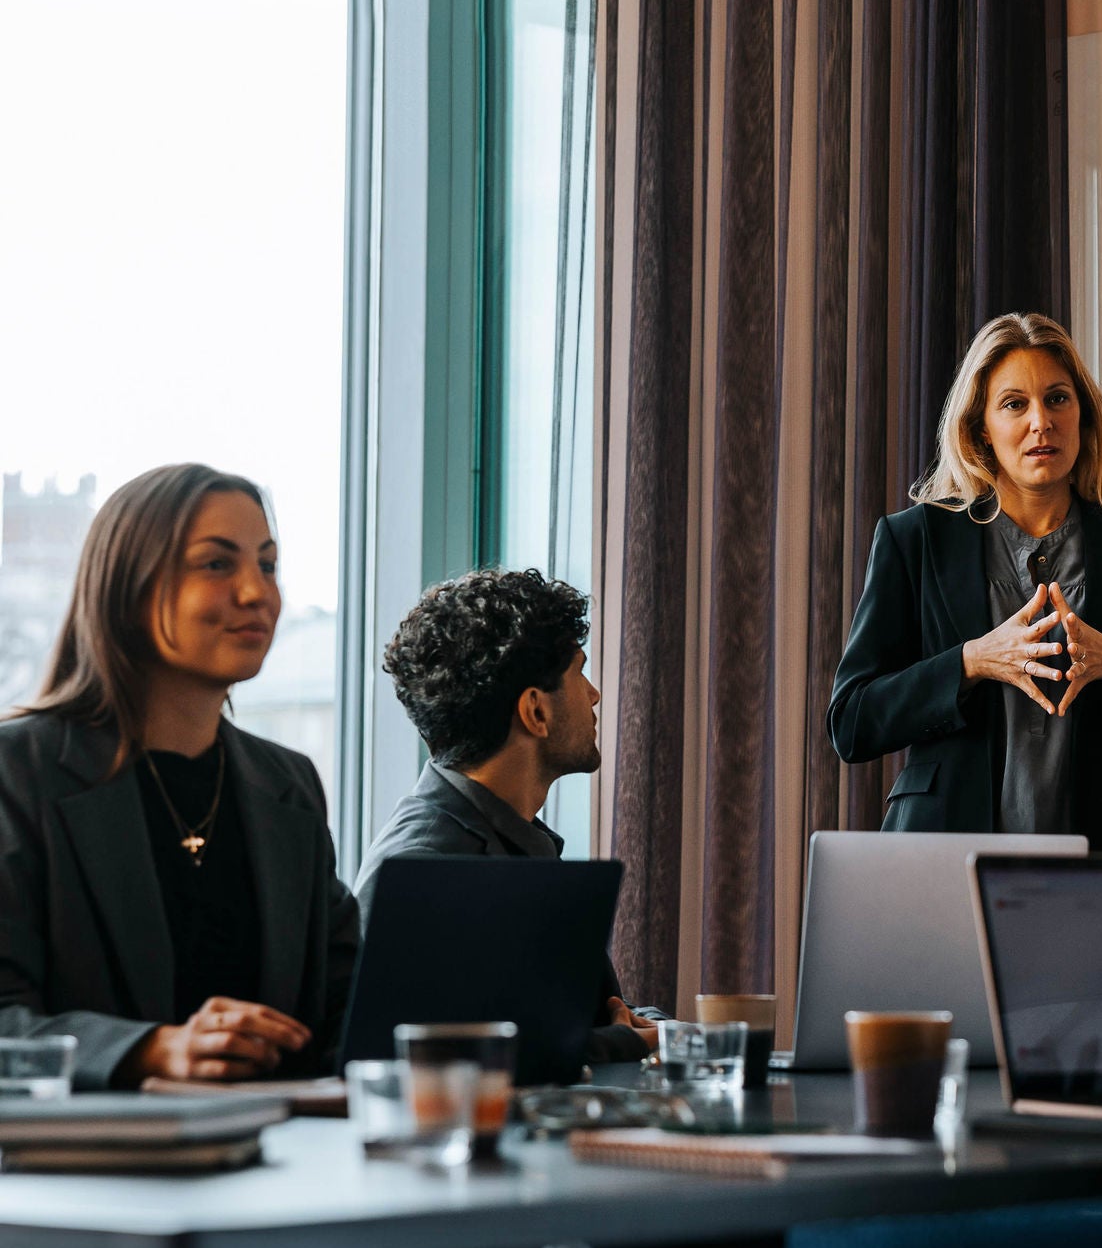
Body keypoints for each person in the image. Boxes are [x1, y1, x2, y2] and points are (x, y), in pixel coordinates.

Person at [0, 464, 358, 1089]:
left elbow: (348, 1004)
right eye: (218, 564)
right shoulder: (17, 773)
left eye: (268, 565)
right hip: (79, 1175)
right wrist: (150, 1051)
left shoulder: (289, 784)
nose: (258, 592)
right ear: (128, 589)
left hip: (276, 1168)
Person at [829, 312, 1102, 852]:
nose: (1041, 422)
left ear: (1083, 416)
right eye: (1014, 404)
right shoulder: (914, 541)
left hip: (1097, 873)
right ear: (980, 426)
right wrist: (972, 661)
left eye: (1057, 399)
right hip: (940, 866)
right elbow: (852, 722)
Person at [354, 568, 656, 1062]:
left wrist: (664, 1030)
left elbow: (575, 1018)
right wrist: (621, 1042)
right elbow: (429, 1057)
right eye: (579, 672)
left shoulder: (507, 837)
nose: (594, 694)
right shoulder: (428, 863)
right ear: (536, 711)